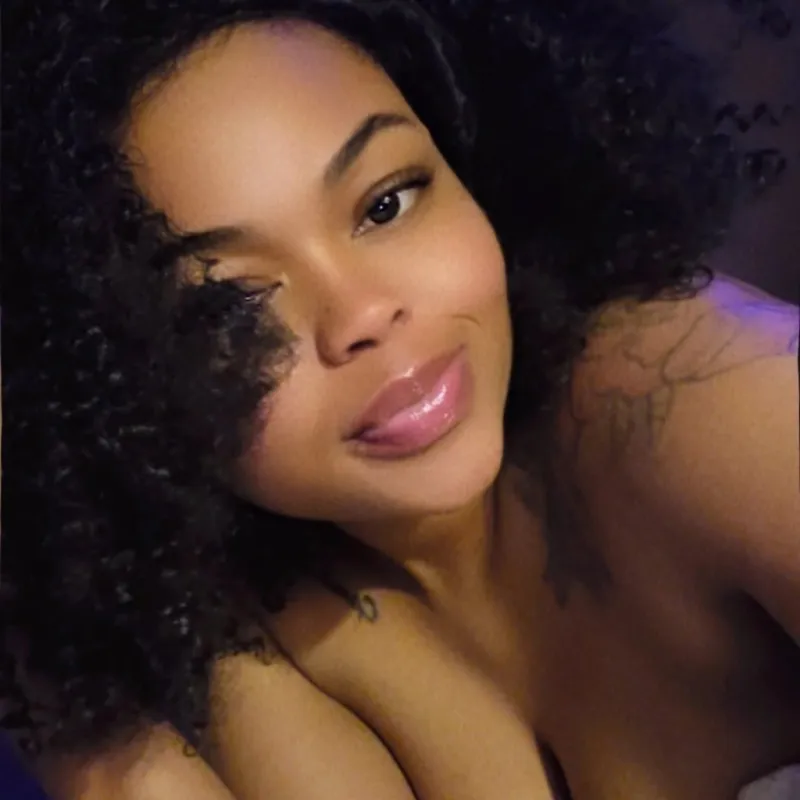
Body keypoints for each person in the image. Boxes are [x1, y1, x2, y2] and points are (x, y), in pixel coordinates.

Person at [2, 1, 798, 798]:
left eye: (386, 203)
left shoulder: (706, 401)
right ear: (103, 383)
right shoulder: (253, 629)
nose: (363, 315)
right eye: (232, 306)